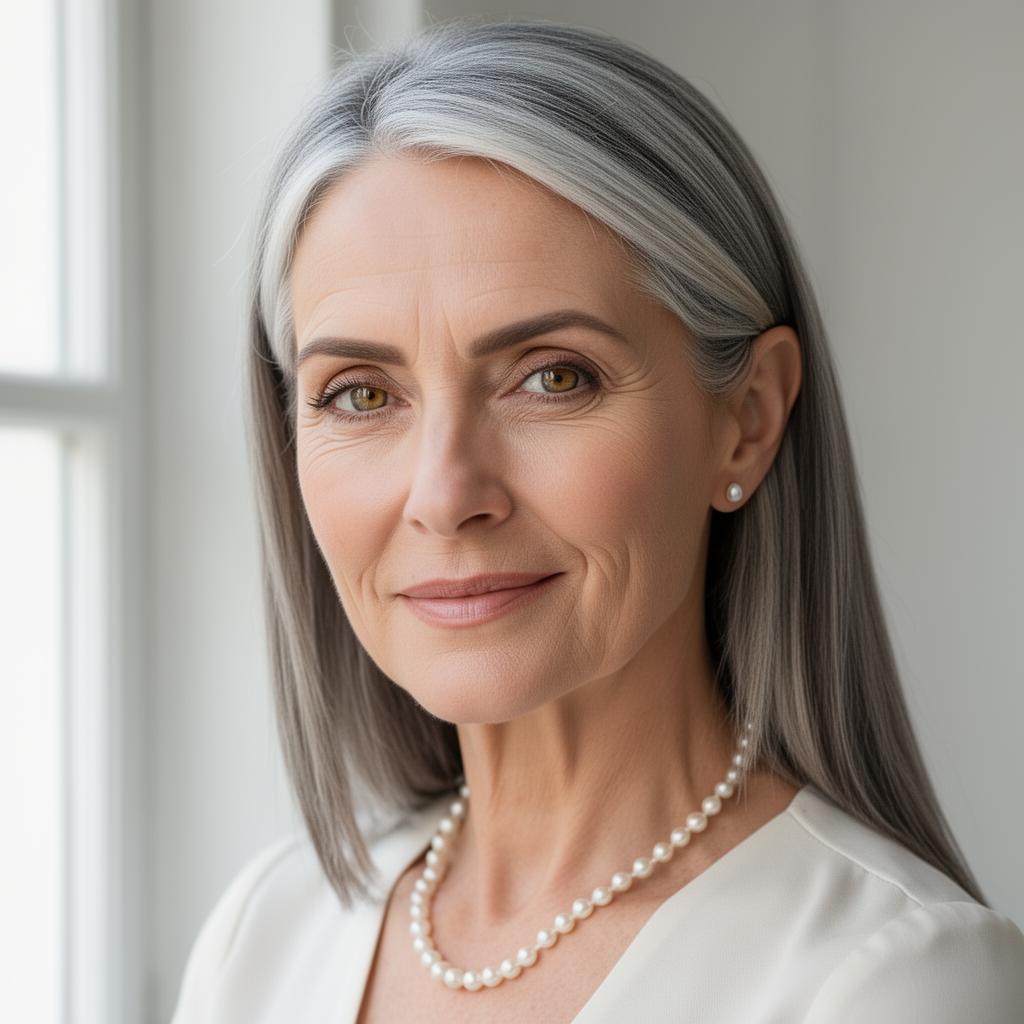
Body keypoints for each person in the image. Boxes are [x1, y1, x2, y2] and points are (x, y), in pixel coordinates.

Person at [170, 17, 1024, 1023]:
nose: (444, 494)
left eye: (553, 378)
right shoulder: (264, 938)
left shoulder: (892, 982)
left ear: (747, 421)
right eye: (360, 394)